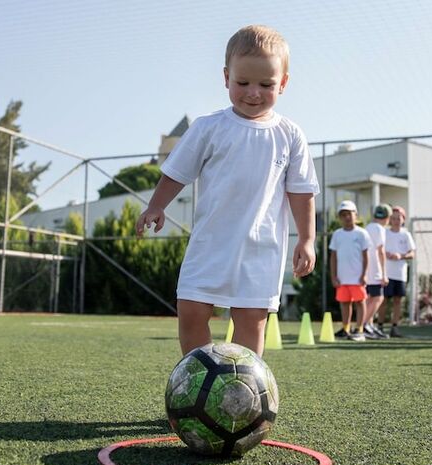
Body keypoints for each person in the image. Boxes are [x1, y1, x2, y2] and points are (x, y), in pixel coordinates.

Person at [135, 25, 319, 356]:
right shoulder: (208, 128)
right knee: (191, 311)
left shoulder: (290, 135)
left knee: (251, 321)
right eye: (242, 82)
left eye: (266, 85)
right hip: (210, 243)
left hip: (260, 249)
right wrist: (156, 206)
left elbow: (302, 192)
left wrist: (307, 239)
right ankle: (197, 382)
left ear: (284, 83)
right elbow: (177, 172)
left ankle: (241, 392)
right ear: (226, 77)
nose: (253, 92)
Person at [330, 200, 372, 341]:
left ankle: (360, 329)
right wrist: (334, 276)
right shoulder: (337, 234)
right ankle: (346, 329)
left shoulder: (362, 234)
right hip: (342, 278)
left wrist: (364, 274)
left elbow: (366, 256)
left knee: (360, 302)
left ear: (356, 215)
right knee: (344, 303)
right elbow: (333, 257)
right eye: (343, 215)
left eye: (349, 213)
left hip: (357, 277)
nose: (347, 217)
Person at [383, 206, 415, 338]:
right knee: (382, 300)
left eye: (399, 218)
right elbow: (377, 249)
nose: (396, 220)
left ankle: (394, 328)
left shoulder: (406, 234)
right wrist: (387, 254)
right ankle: (379, 326)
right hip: (385, 273)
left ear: (403, 219)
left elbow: (412, 253)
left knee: (398, 301)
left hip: (400, 274)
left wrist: (400, 256)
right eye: (393, 218)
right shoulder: (384, 233)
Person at [362, 204, 391, 339]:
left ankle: (368, 326)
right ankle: (362, 325)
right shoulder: (380, 229)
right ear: (387, 217)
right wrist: (384, 273)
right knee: (379, 297)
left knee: (369, 300)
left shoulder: (367, 227)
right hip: (375, 268)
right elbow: (381, 251)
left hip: (366, 268)